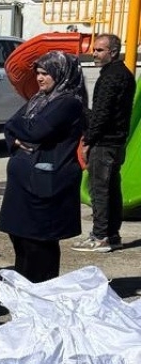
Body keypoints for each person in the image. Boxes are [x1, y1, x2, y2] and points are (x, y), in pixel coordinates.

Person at [0, 52, 87, 282]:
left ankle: (41, 291)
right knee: (21, 239)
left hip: (45, 185)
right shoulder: (40, 99)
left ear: (61, 74)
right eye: (38, 73)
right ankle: (25, 291)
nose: (39, 78)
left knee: (38, 244)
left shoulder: (68, 102)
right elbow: (12, 125)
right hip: (24, 184)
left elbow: (36, 130)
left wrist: (20, 128)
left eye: (46, 73)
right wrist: (16, 136)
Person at [73, 33, 136, 253]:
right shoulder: (123, 74)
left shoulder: (111, 76)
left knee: (99, 190)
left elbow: (102, 113)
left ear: (113, 52)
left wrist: (88, 140)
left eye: (100, 50)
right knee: (111, 189)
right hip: (116, 142)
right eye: (94, 49)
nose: (94, 54)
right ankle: (112, 235)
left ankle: (100, 236)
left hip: (105, 143)